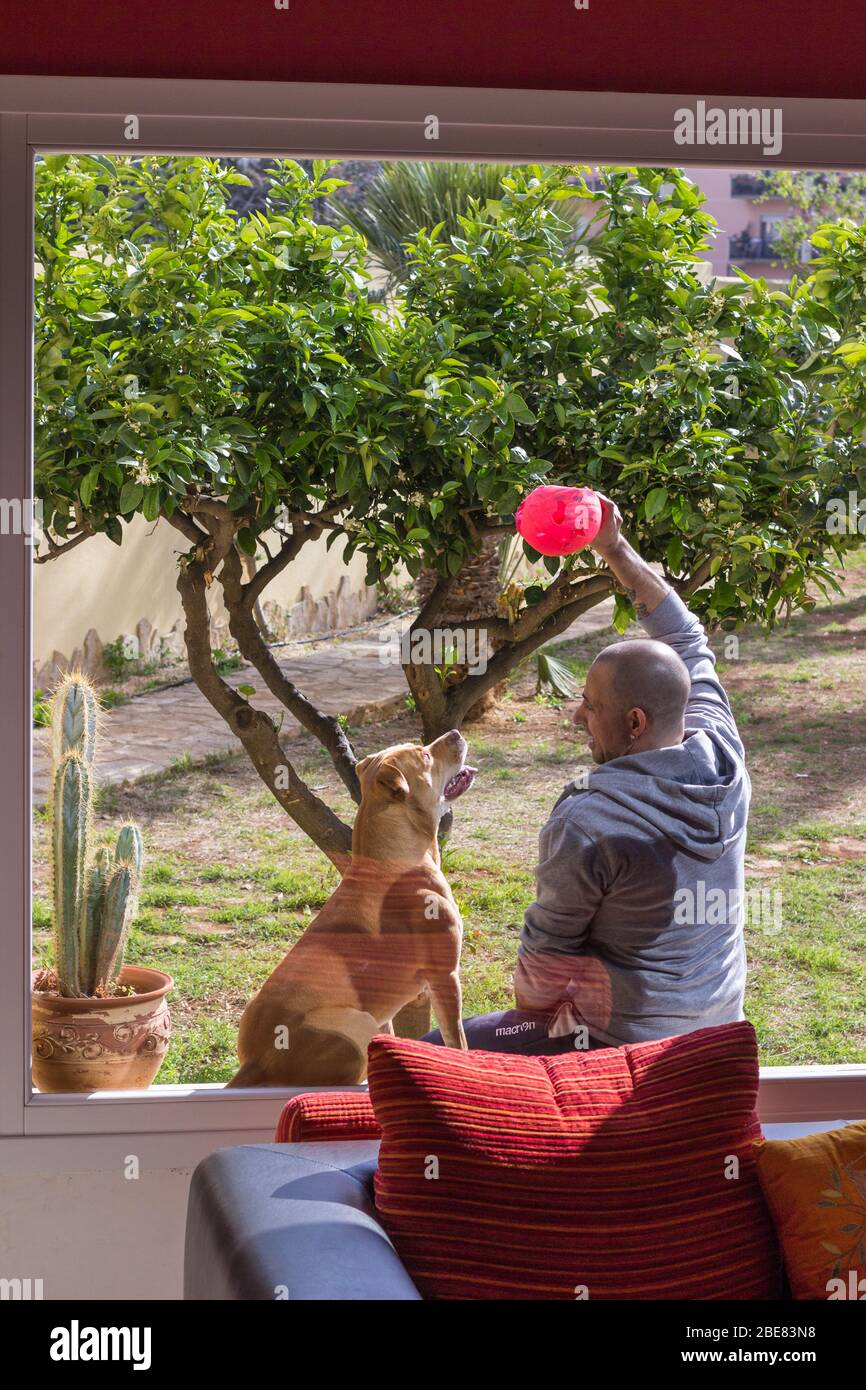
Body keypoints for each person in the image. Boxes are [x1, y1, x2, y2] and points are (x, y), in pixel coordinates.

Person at [423, 494, 751, 1056]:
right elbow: (687, 639)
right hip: (718, 1032)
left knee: (432, 1053)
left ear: (634, 722)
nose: (577, 716)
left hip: (618, 1044)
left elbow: (540, 984)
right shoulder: (724, 756)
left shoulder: (588, 819)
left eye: (591, 706)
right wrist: (614, 547)